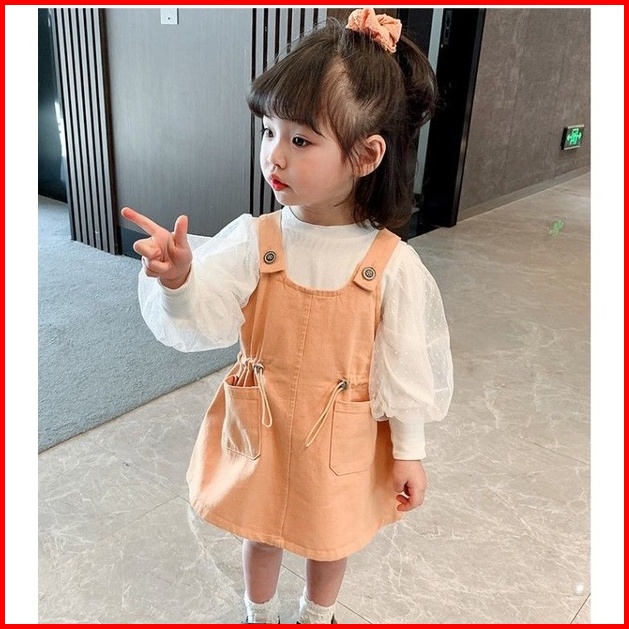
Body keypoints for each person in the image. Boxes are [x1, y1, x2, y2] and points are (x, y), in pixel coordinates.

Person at [121, 8, 453, 624]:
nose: (274, 156)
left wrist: (409, 451)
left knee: (331, 537)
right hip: (263, 426)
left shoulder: (392, 264)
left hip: (341, 436)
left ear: (366, 155)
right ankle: (260, 611)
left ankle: (316, 615)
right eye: (270, 131)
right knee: (262, 527)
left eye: (301, 140)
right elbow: (209, 315)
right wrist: (181, 279)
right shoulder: (256, 239)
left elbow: (406, 369)